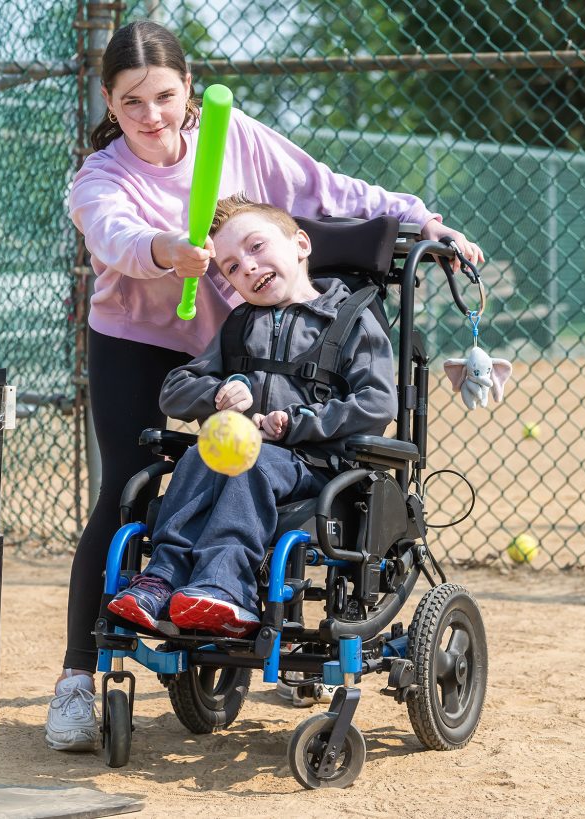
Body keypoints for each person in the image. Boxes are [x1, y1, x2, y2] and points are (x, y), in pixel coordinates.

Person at [46, 18, 484, 752]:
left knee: (251, 471)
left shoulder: (235, 136)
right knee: (131, 483)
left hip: (245, 339)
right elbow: (112, 237)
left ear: (189, 89)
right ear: (108, 103)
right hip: (142, 341)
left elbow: (324, 188)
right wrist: (167, 251)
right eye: (131, 104)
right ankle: (76, 678)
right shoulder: (103, 176)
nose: (151, 117)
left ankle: (246, 602)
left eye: (163, 96)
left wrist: (418, 218)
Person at [105, 192, 396, 638]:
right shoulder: (240, 325)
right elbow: (174, 390)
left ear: (301, 244)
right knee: (201, 454)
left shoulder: (351, 321)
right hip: (249, 455)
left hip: (319, 467)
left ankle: (226, 586)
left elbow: (377, 402)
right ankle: (161, 578)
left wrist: (298, 420)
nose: (249, 268)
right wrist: (220, 389)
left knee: (250, 462)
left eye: (256, 248)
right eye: (232, 268)